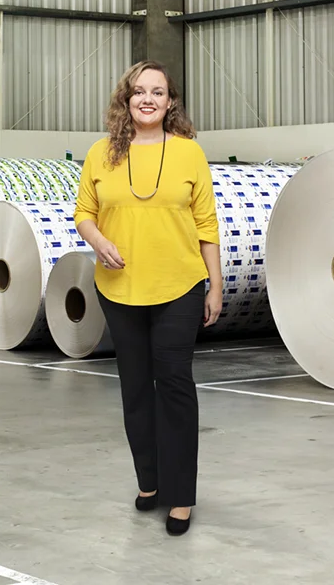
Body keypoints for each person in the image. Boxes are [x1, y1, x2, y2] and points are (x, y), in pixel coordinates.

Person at [73, 60, 222, 536]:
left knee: (174, 385)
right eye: (139, 91)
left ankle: (180, 498)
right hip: (119, 289)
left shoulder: (188, 154)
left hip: (179, 285)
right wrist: (99, 242)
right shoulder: (101, 153)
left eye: (158, 92)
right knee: (135, 390)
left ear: (170, 101)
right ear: (126, 99)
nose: (148, 99)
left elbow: (206, 223)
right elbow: (84, 214)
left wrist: (215, 283)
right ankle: (150, 482)